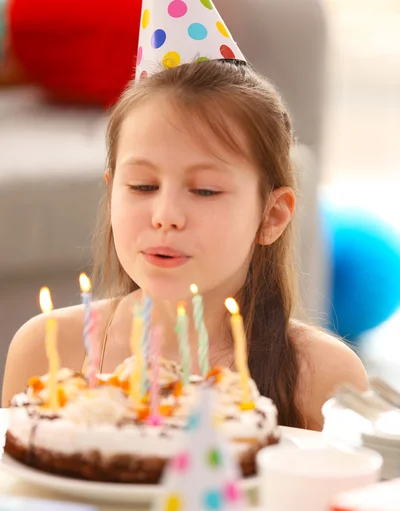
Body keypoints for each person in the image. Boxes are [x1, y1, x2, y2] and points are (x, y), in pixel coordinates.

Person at [2, 58, 368, 428]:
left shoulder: (323, 376)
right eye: (143, 186)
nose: (166, 215)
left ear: (271, 216)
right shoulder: (47, 350)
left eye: (204, 190)